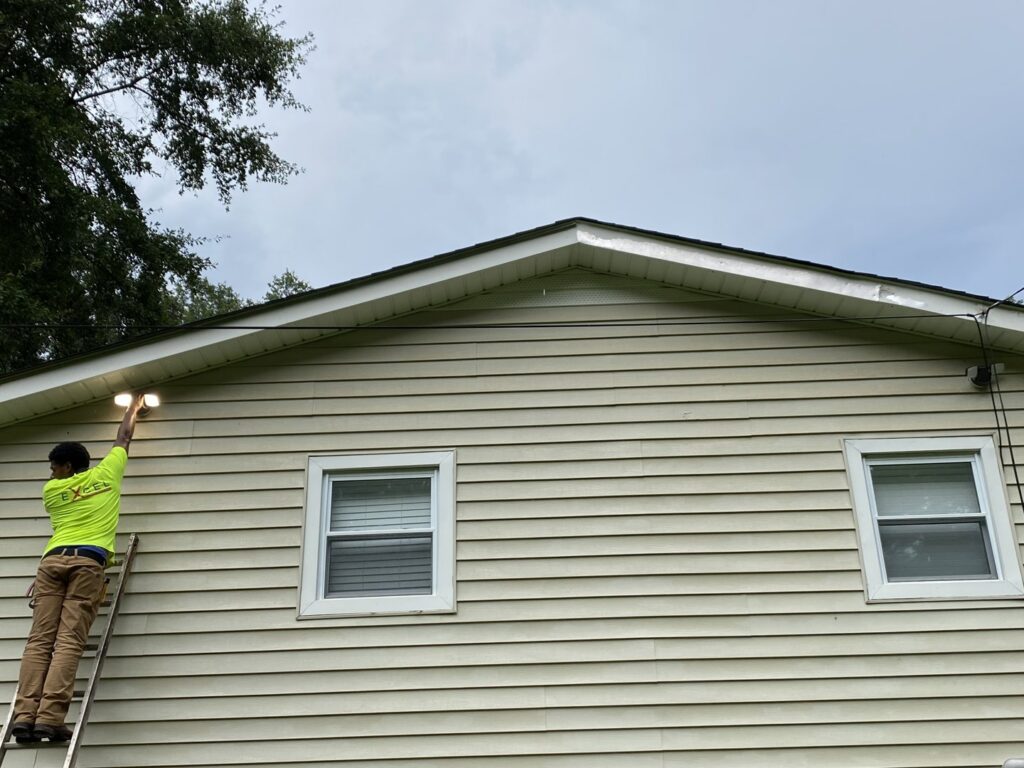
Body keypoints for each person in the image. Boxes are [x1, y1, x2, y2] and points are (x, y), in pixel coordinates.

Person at [11, 394, 146, 744]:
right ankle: (49, 720)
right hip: (87, 562)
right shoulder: (107, 474)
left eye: (55, 465)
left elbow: (62, 531)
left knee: (40, 642)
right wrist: (132, 409)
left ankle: (25, 716)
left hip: (52, 562)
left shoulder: (51, 491)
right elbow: (123, 439)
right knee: (68, 641)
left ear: (69, 466)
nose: (51, 471)